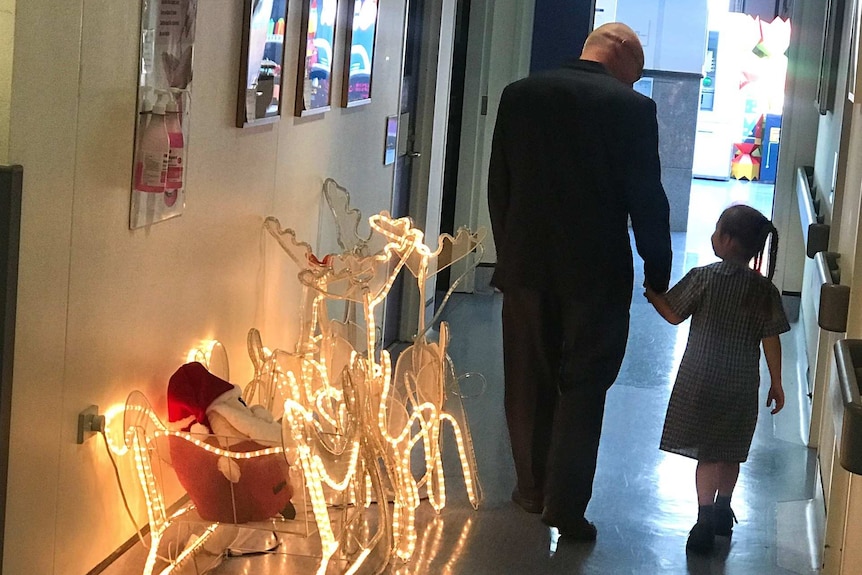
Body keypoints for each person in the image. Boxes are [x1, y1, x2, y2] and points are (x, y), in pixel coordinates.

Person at [487, 22, 672, 541]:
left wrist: (511, 251)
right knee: (584, 387)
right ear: (622, 57)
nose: (632, 85)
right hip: (596, 272)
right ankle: (564, 506)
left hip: (525, 266)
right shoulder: (632, 109)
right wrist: (658, 271)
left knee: (526, 379)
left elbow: (498, 183)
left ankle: (530, 488)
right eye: (633, 75)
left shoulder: (519, 95)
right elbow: (647, 199)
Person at [644, 204, 789, 554]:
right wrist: (777, 381)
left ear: (725, 240)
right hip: (740, 386)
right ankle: (724, 509)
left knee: (707, 454)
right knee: (731, 452)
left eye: (716, 230)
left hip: (701, 381)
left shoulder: (704, 277)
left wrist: (652, 294)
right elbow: (772, 340)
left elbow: (674, 315)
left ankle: (704, 521)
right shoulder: (763, 290)